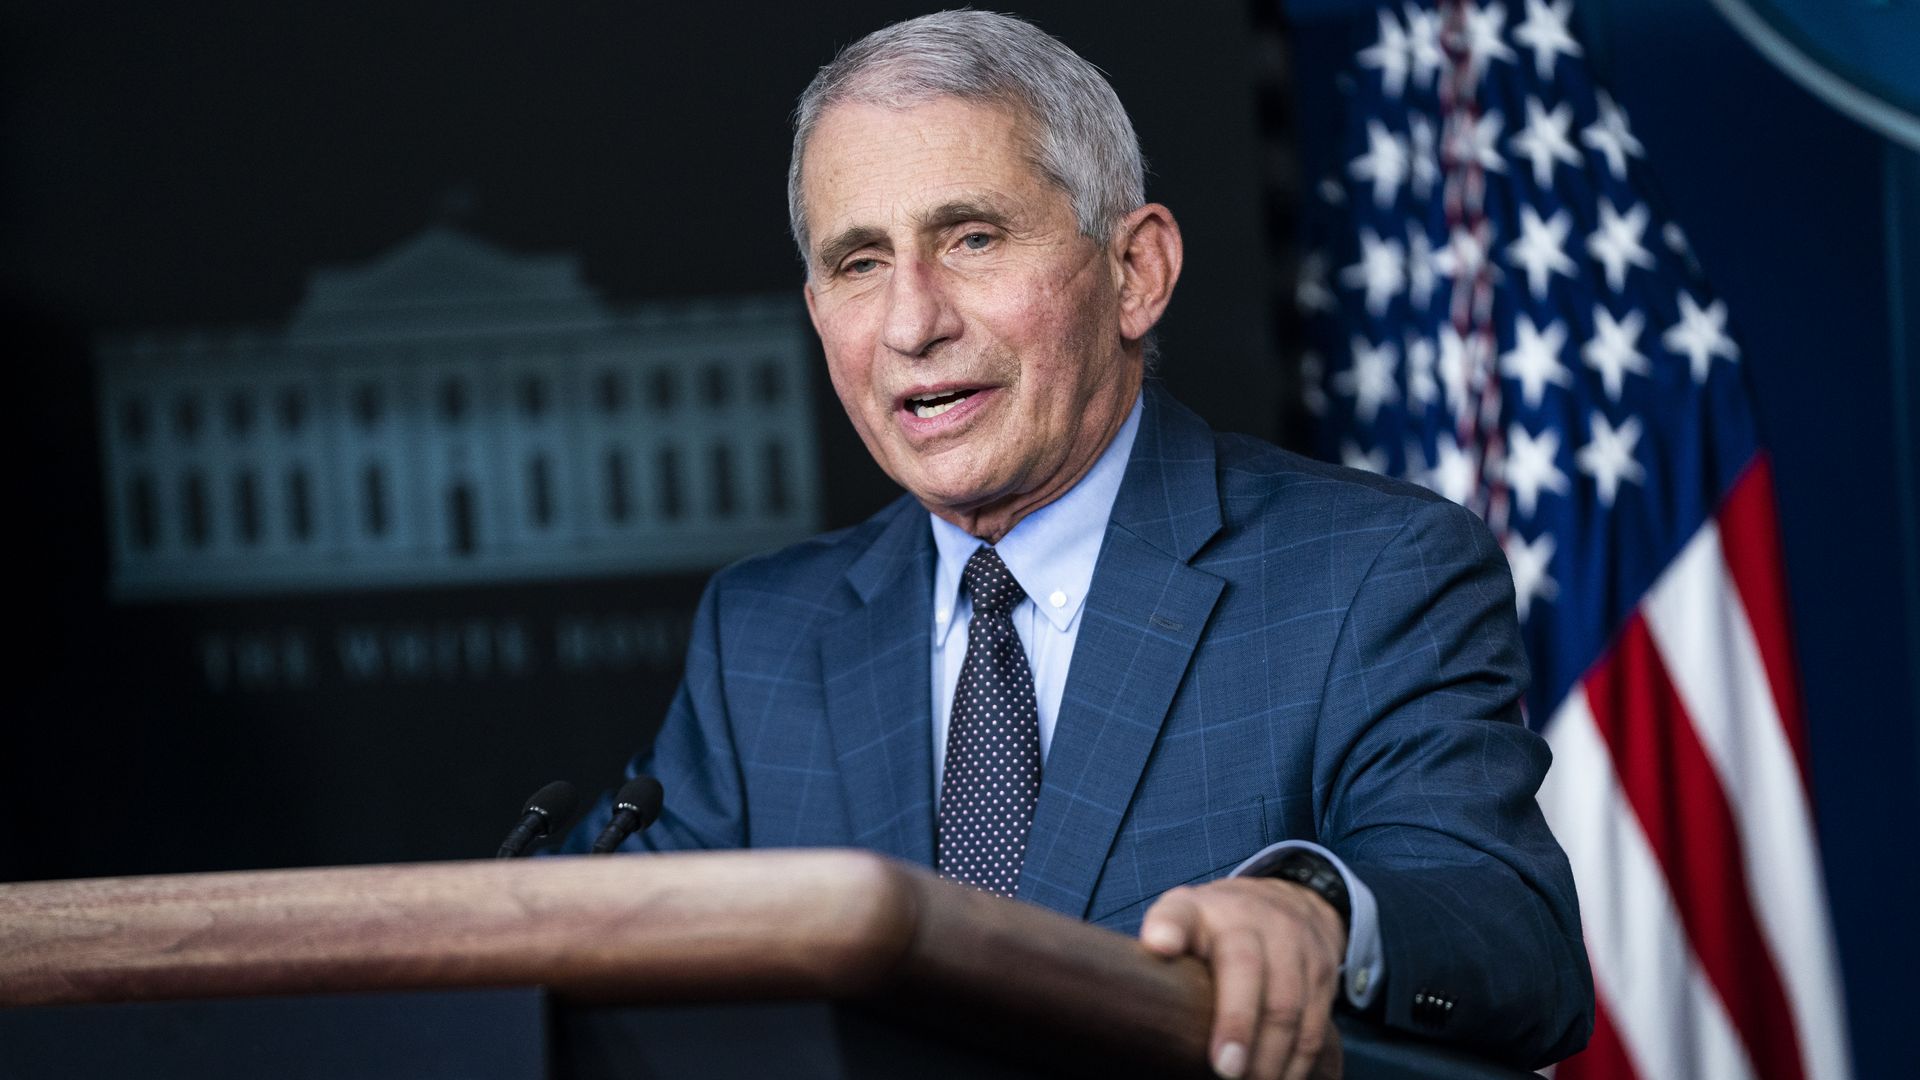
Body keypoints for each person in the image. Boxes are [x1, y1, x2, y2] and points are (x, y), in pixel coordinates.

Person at [564, 11, 1591, 1078]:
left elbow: (1510, 937)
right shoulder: (766, 636)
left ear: (1136, 271)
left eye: (972, 238)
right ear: (819, 309)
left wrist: (1318, 913)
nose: (913, 323)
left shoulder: (1372, 572)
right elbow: (591, 943)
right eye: (861, 261)